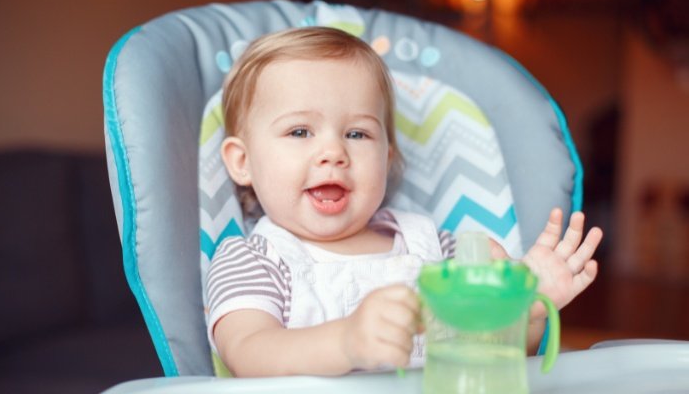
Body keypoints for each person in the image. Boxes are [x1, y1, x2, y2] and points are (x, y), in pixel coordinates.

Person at [205, 26, 603, 377]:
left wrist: (525, 310)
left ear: (386, 158)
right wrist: (345, 342)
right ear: (242, 162)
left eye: (357, 134)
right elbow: (248, 353)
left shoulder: (437, 251)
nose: (333, 152)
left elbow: (498, 359)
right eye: (299, 131)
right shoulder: (252, 260)